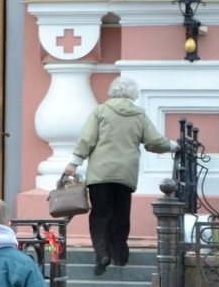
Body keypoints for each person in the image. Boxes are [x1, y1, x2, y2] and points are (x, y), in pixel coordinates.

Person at [64, 76, 177, 275]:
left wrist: (74, 162)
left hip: (100, 173)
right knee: (121, 215)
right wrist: (173, 146)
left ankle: (102, 254)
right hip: (125, 174)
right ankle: (120, 256)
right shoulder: (139, 115)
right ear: (133, 93)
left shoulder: (100, 111)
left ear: (113, 91)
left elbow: (87, 139)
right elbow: (153, 141)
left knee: (100, 215)